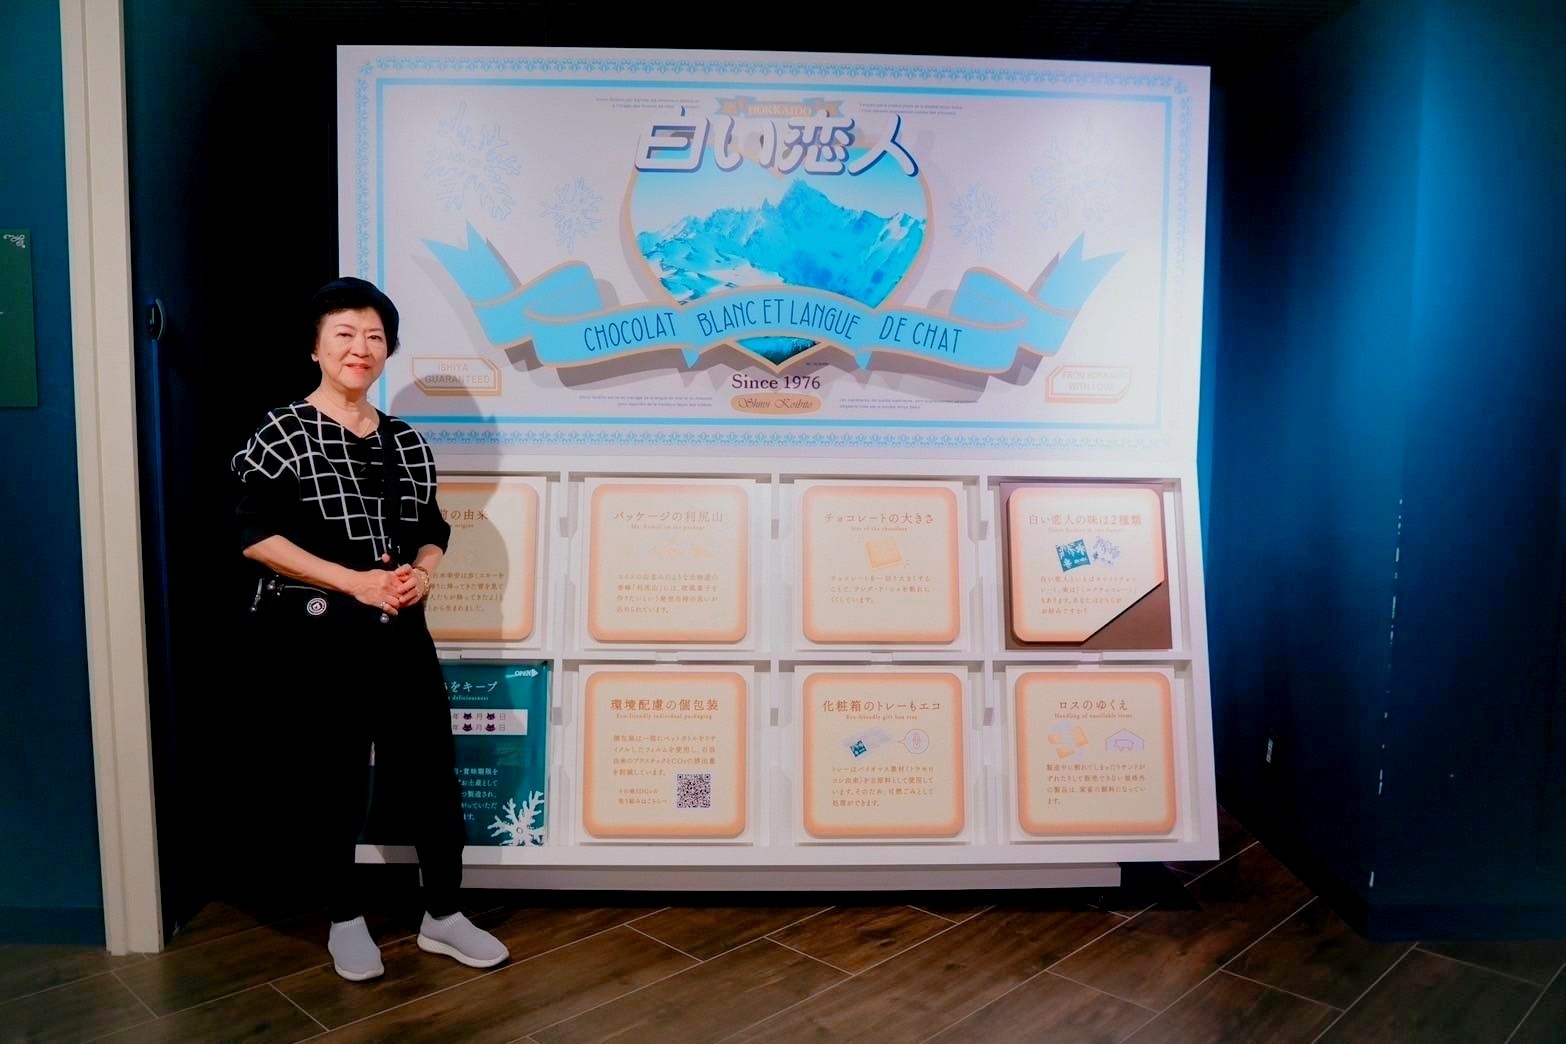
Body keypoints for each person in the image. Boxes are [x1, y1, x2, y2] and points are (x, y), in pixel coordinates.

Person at [230, 277, 508, 981]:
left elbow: (432, 527)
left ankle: (443, 913)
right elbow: (255, 535)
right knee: (334, 780)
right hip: (317, 638)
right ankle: (344, 918)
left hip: (401, 633)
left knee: (433, 776)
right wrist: (352, 580)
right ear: (316, 348)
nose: (361, 347)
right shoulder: (282, 432)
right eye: (345, 334)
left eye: (375, 336)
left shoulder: (406, 440)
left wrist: (424, 573)